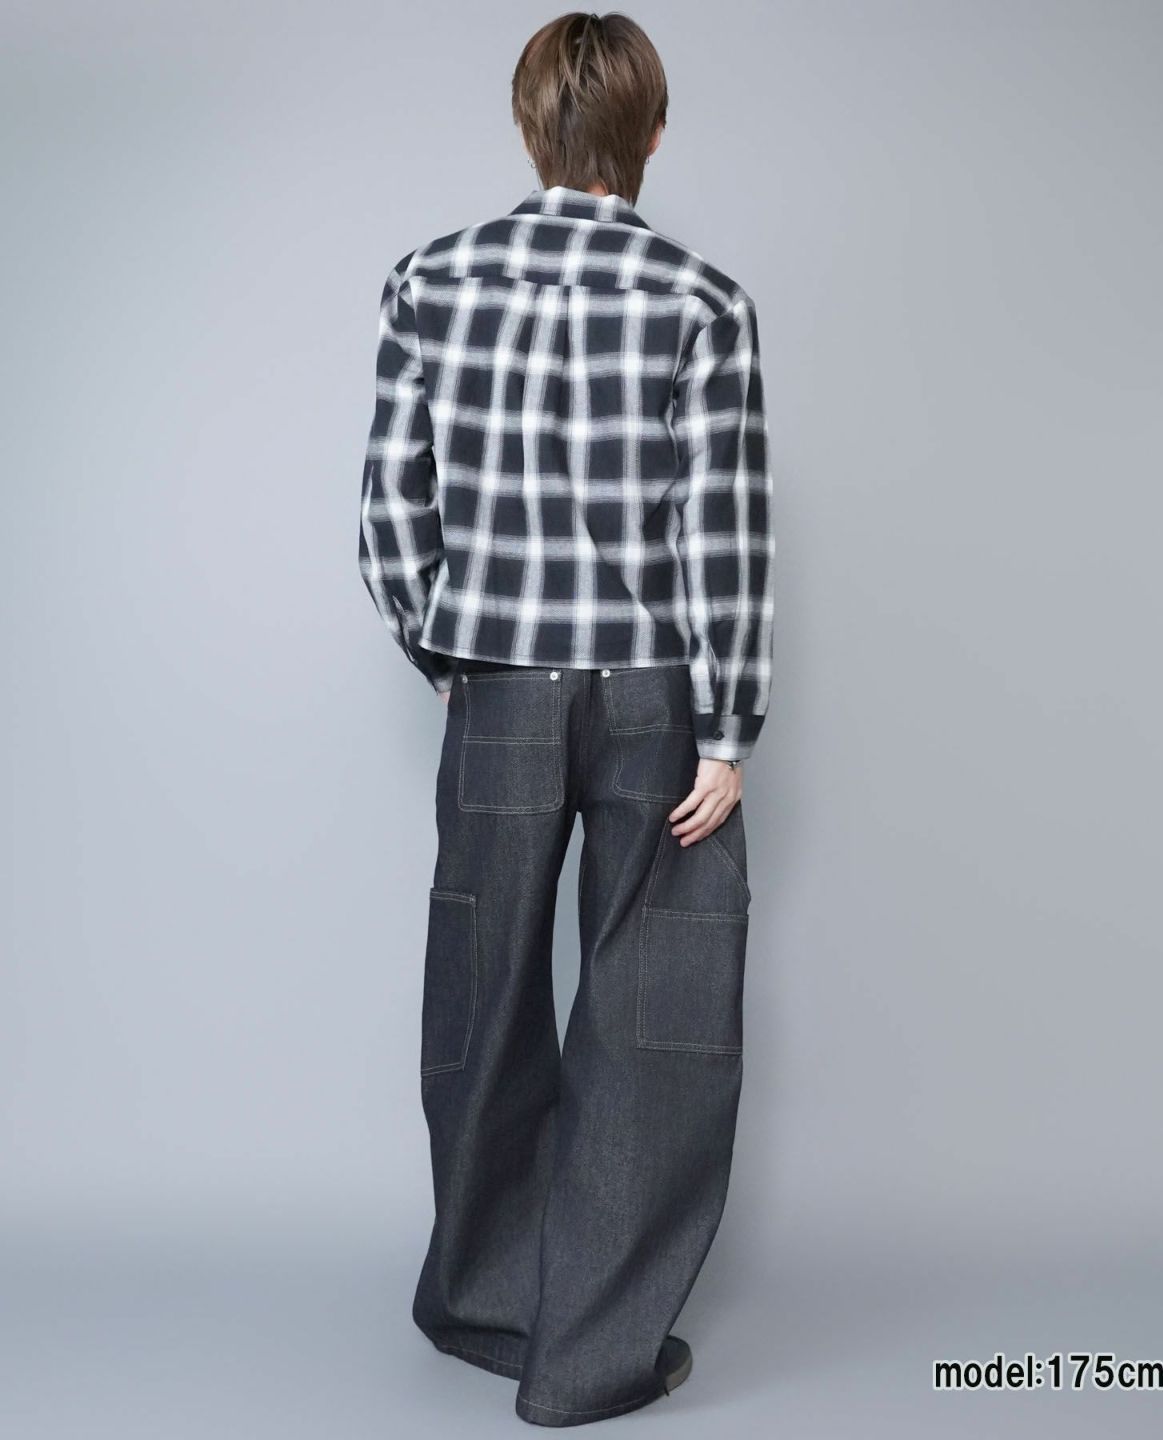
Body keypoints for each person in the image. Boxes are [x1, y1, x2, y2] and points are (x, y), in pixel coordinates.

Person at [358, 10, 774, 1426]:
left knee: (481, 1003)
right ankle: (589, 1356)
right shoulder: (701, 299)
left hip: (499, 690)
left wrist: (454, 658)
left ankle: (488, 1308)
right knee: (656, 1019)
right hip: (653, 697)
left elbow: (390, 518)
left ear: (529, 126)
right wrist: (727, 731)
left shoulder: (429, 278)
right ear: (651, 132)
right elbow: (721, 535)